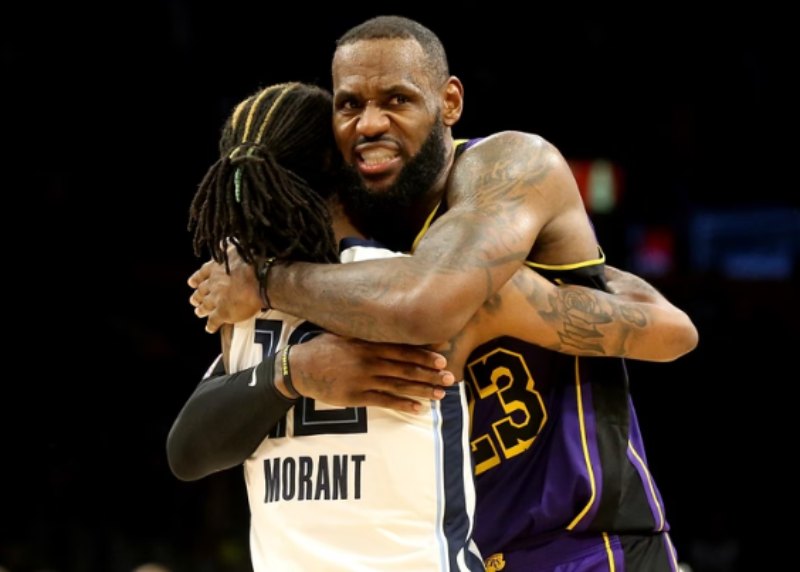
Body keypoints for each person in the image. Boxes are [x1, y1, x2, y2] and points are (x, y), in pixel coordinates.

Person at [186, 16, 699, 571]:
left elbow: (425, 304)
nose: (370, 123)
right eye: (349, 104)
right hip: (461, 549)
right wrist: (287, 367)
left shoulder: (506, 167)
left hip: (581, 544)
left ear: (449, 101)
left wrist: (265, 283)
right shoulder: (354, 240)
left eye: (397, 99)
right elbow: (190, 443)